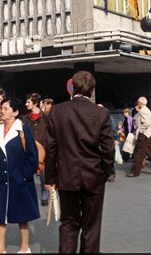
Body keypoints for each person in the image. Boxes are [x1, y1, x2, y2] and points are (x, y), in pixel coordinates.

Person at [45, 71, 115, 253]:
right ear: (92, 89)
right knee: (92, 226)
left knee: (68, 223)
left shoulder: (57, 111)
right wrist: (108, 171)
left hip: (66, 176)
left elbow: (51, 149)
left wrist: (50, 178)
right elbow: (108, 148)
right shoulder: (101, 113)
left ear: (73, 87)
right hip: (94, 176)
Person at [0, 98, 39, 254]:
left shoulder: (23, 130)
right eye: (1, 108)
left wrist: (25, 175)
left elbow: (33, 157)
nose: (2, 111)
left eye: (6, 108)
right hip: (1, 180)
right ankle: (0, 248)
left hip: (20, 180)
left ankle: (24, 248)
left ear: (16, 112)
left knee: (22, 215)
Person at [126, 97, 151, 178]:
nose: (137, 104)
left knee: (138, 153)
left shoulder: (143, 111)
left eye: (138, 103)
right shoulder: (146, 110)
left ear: (140, 103)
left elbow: (146, 123)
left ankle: (134, 172)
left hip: (144, 134)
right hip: (148, 134)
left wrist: (140, 131)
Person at [22, 92, 49, 206]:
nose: (26, 104)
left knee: (44, 176)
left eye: (28, 102)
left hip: (44, 150)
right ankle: (29, 196)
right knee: (29, 175)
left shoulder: (46, 117)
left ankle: (44, 197)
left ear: (35, 103)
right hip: (30, 152)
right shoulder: (25, 118)